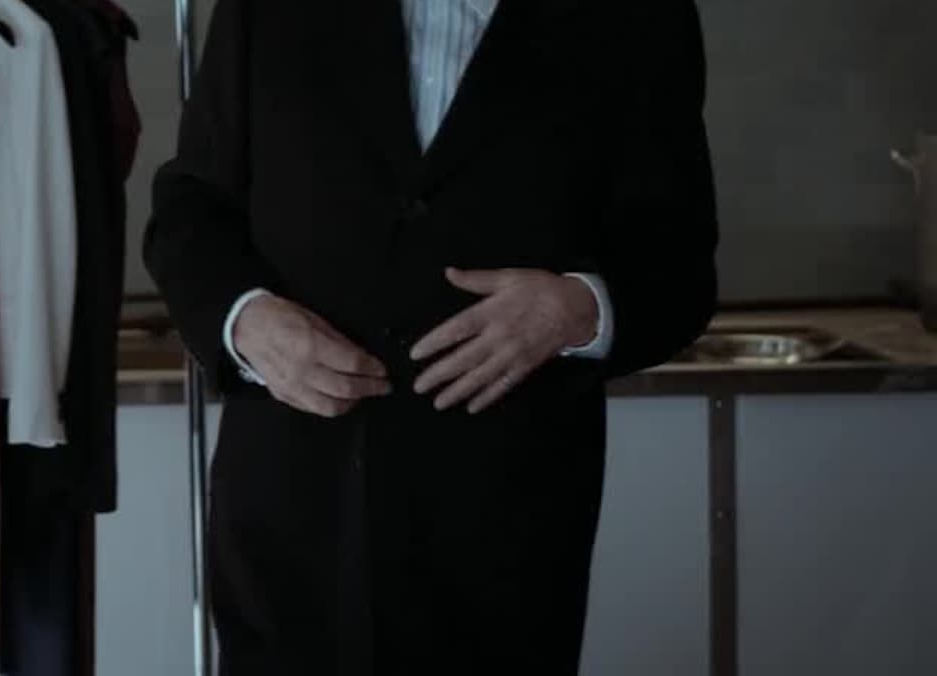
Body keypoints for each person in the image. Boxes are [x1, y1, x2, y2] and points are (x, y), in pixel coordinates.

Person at [143, 0, 718, 673]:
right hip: (290, 510)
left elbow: (678, 267)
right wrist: (243, 318)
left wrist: (576, 309)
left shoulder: (640, 16)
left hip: (502, 537)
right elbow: (190, 208)